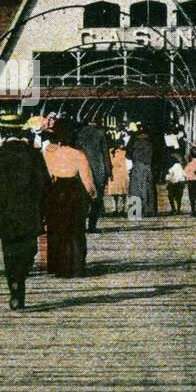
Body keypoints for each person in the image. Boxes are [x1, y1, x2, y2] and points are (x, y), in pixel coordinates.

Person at [0, 113, 49, 311]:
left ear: (3, 133)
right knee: (29, 250)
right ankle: (20, 278)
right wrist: (44, 210)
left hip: (5, 212)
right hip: (29, 210)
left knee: (9, 251)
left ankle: (14, 286)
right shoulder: (34, 154)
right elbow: (44, 184)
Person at [43, 119, 96, 277]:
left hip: (54, 190)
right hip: (73, 191)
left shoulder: (48, 153)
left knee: (56, 229)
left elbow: (45, 174)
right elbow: (87, 181)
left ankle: (58, 266)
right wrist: (93, 197)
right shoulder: (78, 154)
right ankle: (76, 266)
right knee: (75, 230)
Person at [76, 119, 112, 233]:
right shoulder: (100, 133)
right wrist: (108, 170)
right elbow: (105, 154)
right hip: (98, 169)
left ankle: (81, 226)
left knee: (82, 199)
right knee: (97, 199)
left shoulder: (79, 133)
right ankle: (92, 226)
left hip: (82, 169)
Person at [128, 124, 157, 217]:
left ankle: (135, 211)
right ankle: (148, 210)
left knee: (135, 189)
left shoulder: (134, 140)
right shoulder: (151, 141)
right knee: (148, 189)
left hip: (137, 166)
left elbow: (128, 154)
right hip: (148, 166)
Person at [107, 137, 130, 213]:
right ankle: (115, 208)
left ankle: (123, 208)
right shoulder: (111, 152)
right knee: (115, 192)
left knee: (123, 192)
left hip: (122, 172)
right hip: (115, 172)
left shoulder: (124, 152)